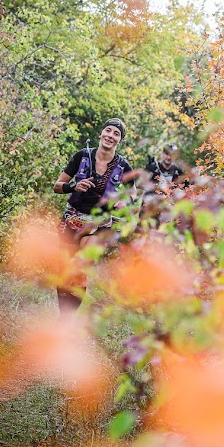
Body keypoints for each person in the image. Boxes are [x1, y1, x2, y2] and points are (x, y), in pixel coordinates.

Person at [52, 118, 137, 313]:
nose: (111, 136)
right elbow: (57, 186)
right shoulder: (82, 156)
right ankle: (63, 316)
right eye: (108, 131)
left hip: (100, 224)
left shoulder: (123, 166)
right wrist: (73, 186)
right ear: (101, 134)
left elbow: (133, 193)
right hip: (72, 219)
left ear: (119, 140)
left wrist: (125, 201)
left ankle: (67, 321)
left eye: (116, 134)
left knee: (80, 266)